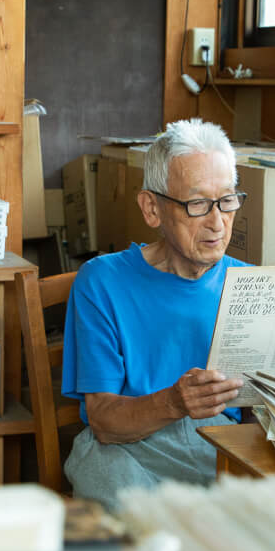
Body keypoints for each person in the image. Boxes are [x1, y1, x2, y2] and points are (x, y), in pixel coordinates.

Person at [62, 118, 248, 510]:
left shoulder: (248, 285)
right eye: (198, 204)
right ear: (152, 208)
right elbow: (104, 423)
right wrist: (174, 403)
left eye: (227, 201)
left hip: (216, 450)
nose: (217, 222)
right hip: (127, 447)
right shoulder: (102, 282)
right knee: (128, 515)